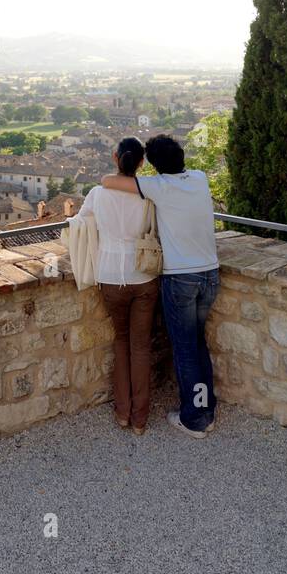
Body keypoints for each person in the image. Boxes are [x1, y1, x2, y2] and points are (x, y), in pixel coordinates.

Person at [101, 134, 219, 438]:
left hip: (181, 278)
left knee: (184, 349)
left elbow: (108, 182)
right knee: (198, 343)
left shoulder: (159, 187)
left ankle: (194, 419)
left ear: (153, 165)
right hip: (210, 273)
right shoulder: (200, 178)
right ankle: (206, 409)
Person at [76, 137, 159, 435]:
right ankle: (140, 418)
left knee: (121, 342)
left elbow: (78, 223)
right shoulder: (148, 194)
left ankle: (123, 413)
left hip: (110, 275)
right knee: (140, 346)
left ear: (115, 158)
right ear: (141, 162)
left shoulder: (98, 193)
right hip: (144, 275)